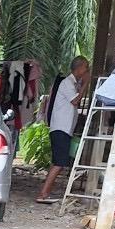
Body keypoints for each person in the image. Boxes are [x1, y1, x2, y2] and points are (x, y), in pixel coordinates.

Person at [35, 55, 90, 204]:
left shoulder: (72, 84)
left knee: (57, 161)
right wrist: (86, 83)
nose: (87, 71)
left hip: (64, 128)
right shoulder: (67, 83)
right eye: (86, 68)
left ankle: (45, 192)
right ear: (79, 68)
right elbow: (75, 100)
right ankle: (43, 193)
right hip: (61, 128)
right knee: (59, 162)